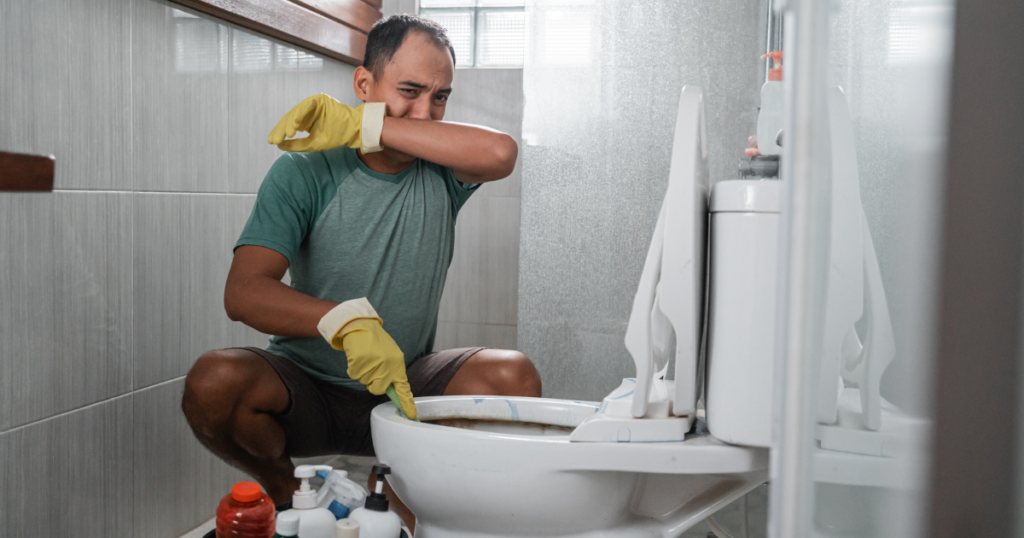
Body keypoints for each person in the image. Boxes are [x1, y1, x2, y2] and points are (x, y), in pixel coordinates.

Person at [181, 14, 541, 532]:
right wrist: (344, 322)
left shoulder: (440, 168)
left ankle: (407, 488)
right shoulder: (306, 170)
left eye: (440, 98)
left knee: (515, 377)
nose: (424, 113)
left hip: (404, 387)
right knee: (214, 382)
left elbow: (501, 151)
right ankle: (292, 494)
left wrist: (364, 123)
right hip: (307, 389)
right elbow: (243, 293)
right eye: (410, 91)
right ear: (363, 84)